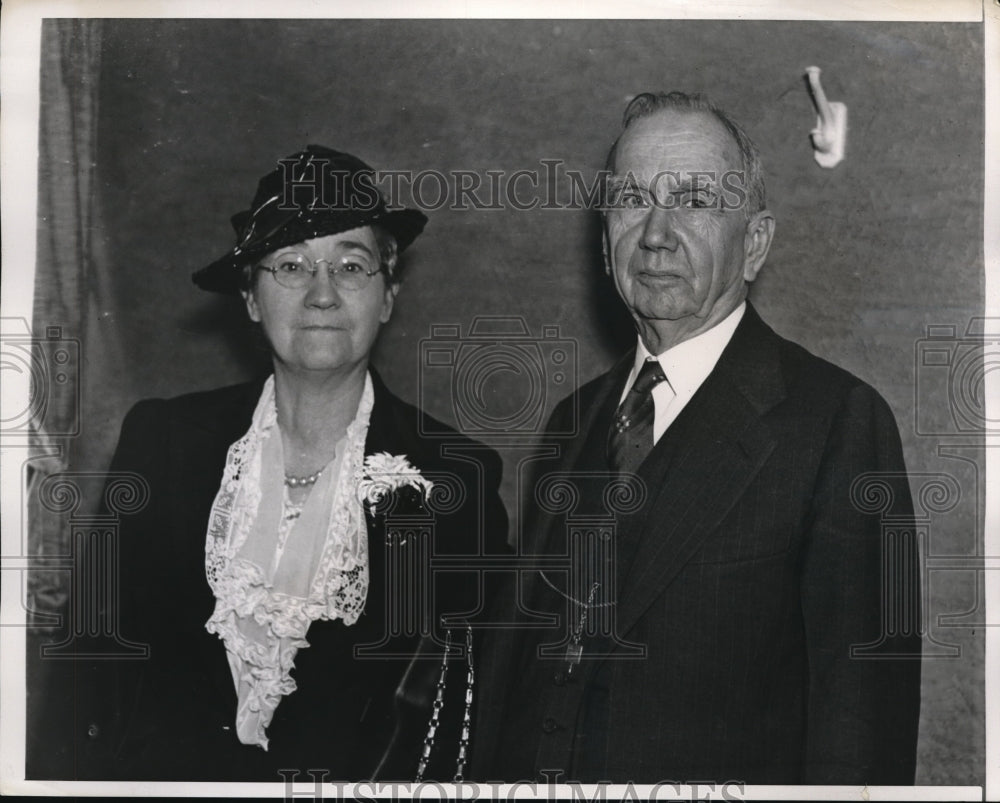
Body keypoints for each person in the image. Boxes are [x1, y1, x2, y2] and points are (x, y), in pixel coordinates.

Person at [473, 92, 921, 785]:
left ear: (755, 243)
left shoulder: (837, 423)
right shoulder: (572, 422)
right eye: (632, 199)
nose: (656, 233)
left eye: (694, 200)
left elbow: (860, 729)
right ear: (603, 240)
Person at [77, 145, 508, 781]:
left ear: (387, 297)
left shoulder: (456, 478)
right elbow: (88, 673)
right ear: (252, 298)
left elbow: (467, 722)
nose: (322, 294)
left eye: (351, 266)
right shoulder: (161, 442)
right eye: (291, 265)